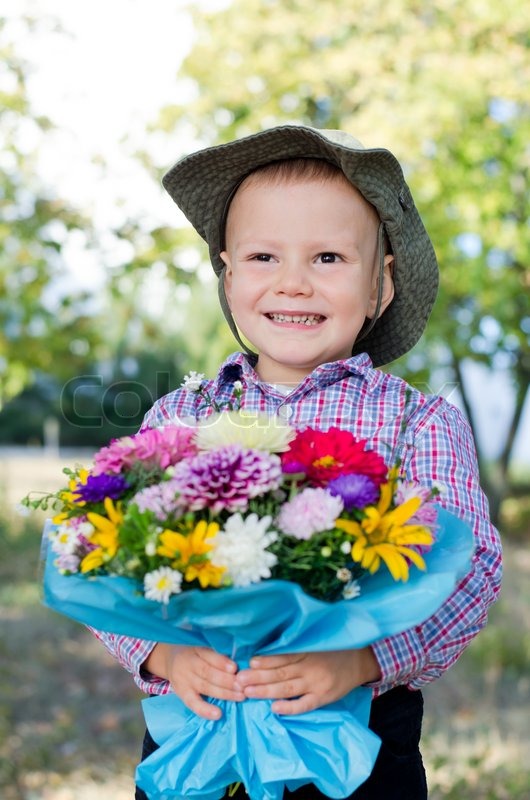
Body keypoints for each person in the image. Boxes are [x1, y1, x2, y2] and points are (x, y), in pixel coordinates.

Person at [91, 126, 502, 799]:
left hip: (356, 737)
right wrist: (163, 654)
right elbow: (106, 555)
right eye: (262, 256)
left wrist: (366, 659)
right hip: (199, 724)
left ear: (381, 287)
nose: (293, 283)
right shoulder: (179, 419)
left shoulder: (418, 424)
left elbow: (470, 573)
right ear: (228, 275)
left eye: (329, 258)